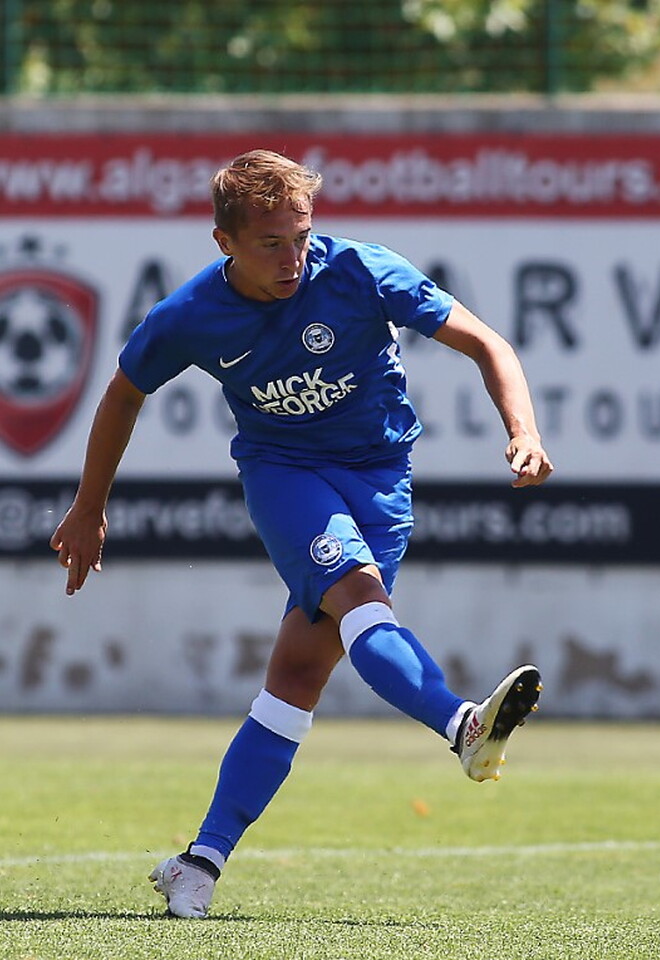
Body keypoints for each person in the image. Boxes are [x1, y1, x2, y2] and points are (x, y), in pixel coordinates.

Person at [50, 149, 552, 918]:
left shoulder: (360, 272)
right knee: (361, 601)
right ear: (225, 242)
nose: (293, 258)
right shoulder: (191, 315)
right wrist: (89, 506)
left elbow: (489, 344)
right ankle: (462, 725)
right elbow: (123, 394)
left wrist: (523, 431)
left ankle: (199, 862)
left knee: (295, 678)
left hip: (381, 480)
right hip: (285, 473)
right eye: (270, 244)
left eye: (301, 236)